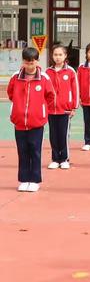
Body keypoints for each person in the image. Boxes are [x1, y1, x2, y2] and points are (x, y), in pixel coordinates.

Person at [7, 47, 55, 192]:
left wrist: (41, 110)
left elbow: (51, 97)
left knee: (35, 151)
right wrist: (18, 108)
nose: (30, 66)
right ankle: (23, 179)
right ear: (23, 62)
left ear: (37, 61)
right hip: (19, 122)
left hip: (36, 123)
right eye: (27, 63)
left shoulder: (44, 78)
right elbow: (10, 94)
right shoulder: (16, 77)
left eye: (32, 63)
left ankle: (34, 180)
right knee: (22, 151)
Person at [45, 43, 79, 169]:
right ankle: (55, 158)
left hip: (65, 110)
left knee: (63, 134)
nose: (58, 57)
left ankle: (64, 159)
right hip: (51, 110)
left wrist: (74, 107)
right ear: (52, 56)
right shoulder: (47, 72)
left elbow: (75, 89)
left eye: (60, 55)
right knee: (53, 135)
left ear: (65, 56)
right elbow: (44, 91)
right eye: (55, 55)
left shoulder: (70, 71)